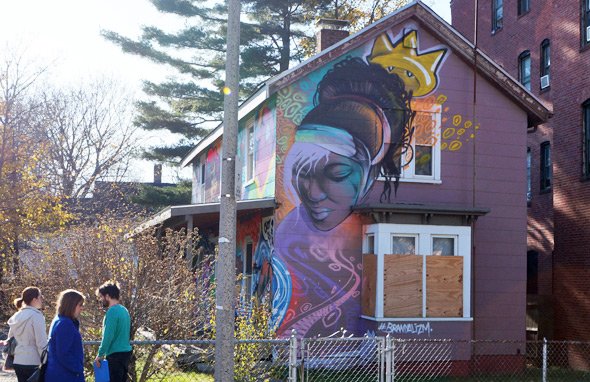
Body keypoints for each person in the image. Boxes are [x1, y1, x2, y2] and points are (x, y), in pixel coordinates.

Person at [275, 57, 413, 336]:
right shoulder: (287, 233)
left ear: (371, 172)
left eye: (336, 174)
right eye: (303, 173)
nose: (312, 193)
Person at [5, 287, 47, 382]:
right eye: (40, 297)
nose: (42, 299)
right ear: (34, 299)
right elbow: (41, 342)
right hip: (33, 361)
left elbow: (10, 338)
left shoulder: (17, 316)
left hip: (18, 360)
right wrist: (46, 360)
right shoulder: (36, 316)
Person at [94, 281, 132, 382]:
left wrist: (100, 354)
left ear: (107, 296)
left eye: (101, 297)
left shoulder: (112, 312)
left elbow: (108, 336)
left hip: (115, 356)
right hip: (125, 354)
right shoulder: (124, 310)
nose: (101, 299)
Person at [45, 289, 85, 382]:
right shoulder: (65, 323)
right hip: (66, 376)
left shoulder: (58, 320)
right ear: (71, 305)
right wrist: (78, 368)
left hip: (59, 373)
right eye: (80, 305)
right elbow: (64, 353)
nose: (82, 308)